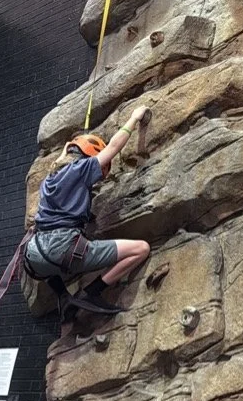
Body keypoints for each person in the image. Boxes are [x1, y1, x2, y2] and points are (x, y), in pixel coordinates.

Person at [23, 106, 152, 322]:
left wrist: (68, 148)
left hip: (35, 256)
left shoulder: (50, 179)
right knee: (141, 249)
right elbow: (113, 147)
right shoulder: (79, 169)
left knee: (55, 261)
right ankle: (92, 293)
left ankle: (64, 296)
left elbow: (62, 160)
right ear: (88, 157)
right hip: (62, 249)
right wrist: (133, 118)